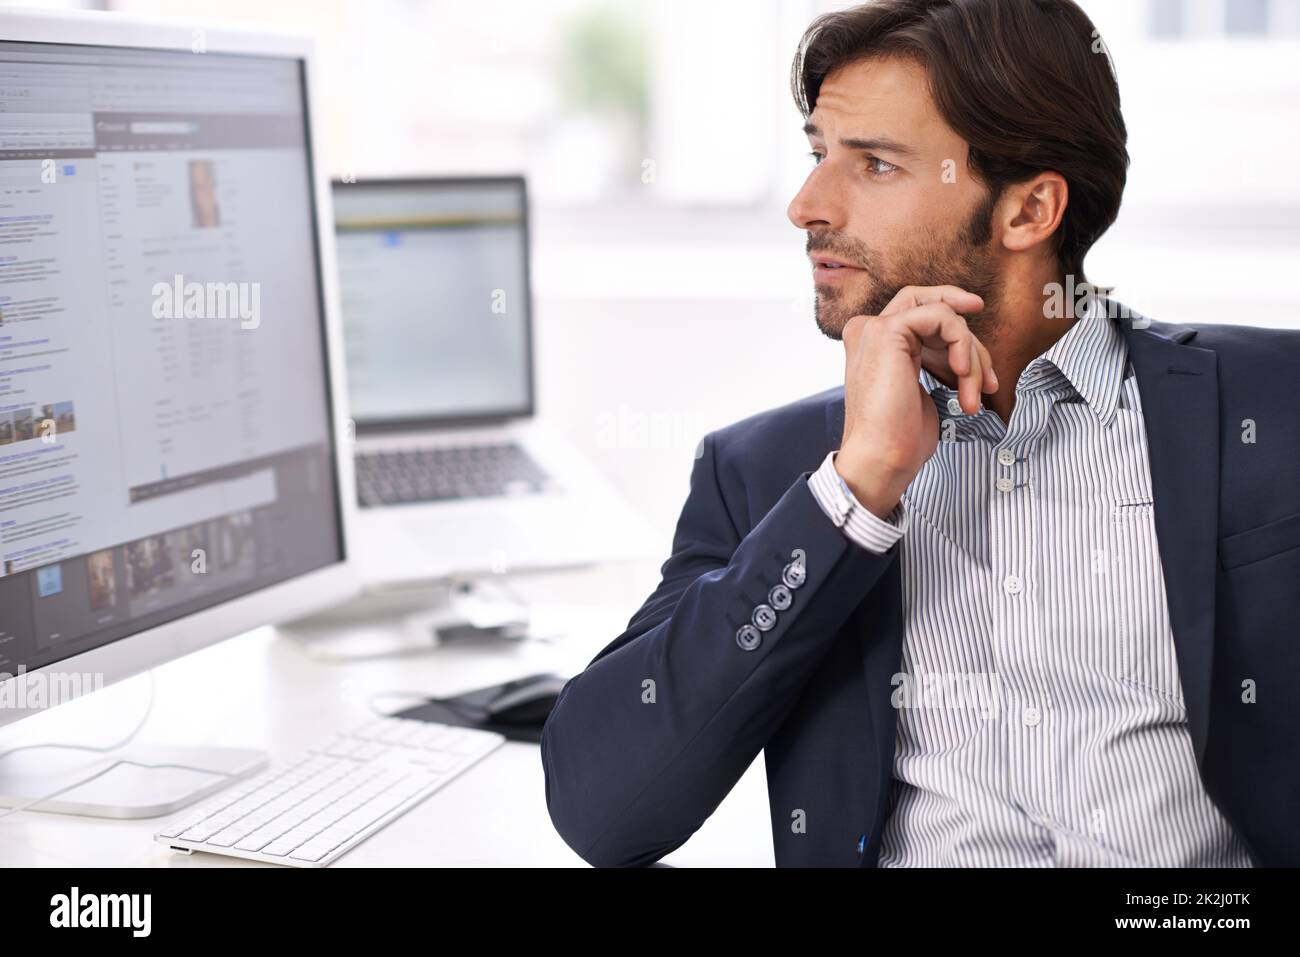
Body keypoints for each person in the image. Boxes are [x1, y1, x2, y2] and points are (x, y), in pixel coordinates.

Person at [540, 0, 1300, 867]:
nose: (806, 204)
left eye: (874, 164)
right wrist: (854, 489)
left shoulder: (1271, 409)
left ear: (1028, 210)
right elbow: (602, 809)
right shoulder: (765, 473)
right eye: (819, 154)